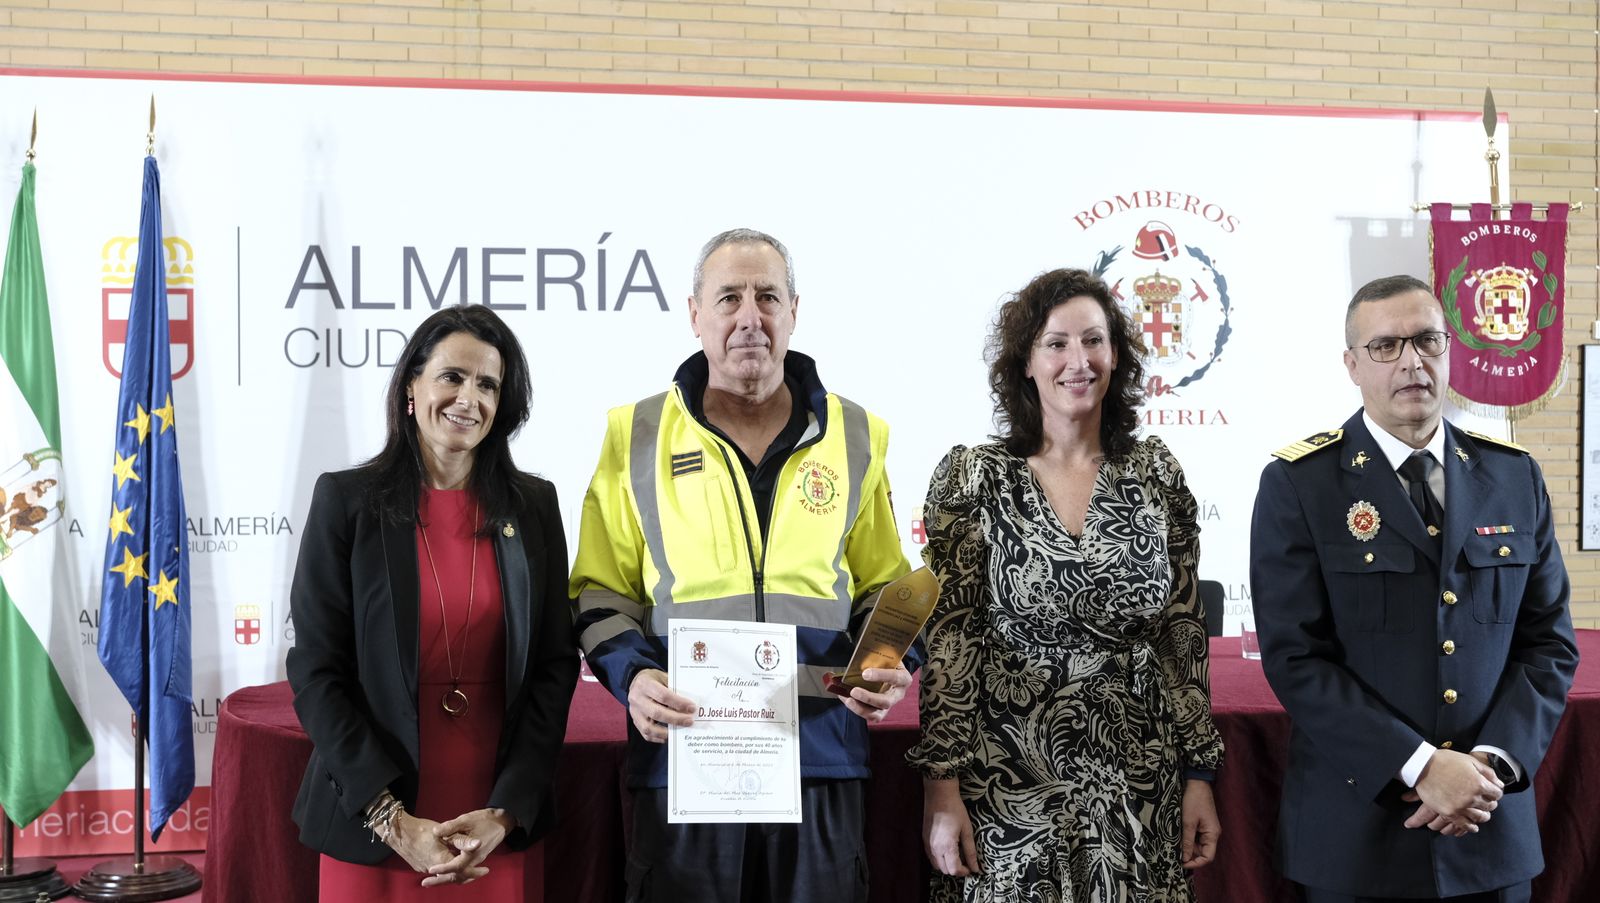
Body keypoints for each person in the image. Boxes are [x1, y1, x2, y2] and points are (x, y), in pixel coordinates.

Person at [570, 227, 918, 902]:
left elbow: (888, 586)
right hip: (685, 759)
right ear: (694, 313)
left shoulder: (854, 433)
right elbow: (597, 591)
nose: (749, 317)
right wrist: (634, 676)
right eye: (729, 297)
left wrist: (886, 656)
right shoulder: (634, 433)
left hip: (820, 752)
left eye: (767, 296)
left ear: (795, 311)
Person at [1249, 275, 1580, 902]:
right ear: (1351, 365)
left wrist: (1489, 768)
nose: (1411, 361)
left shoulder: (1513, 476)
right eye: (1384, 347)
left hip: (1490, 826)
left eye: (1427, 340)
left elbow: (1549, 644)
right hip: (1361, 837)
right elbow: (1296, 657)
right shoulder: (1301, 484)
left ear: (1449, 351)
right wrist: (1424, 766)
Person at [910, 267, 1225, 901]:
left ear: (1117, 354)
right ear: (1024, 362)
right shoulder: (975, 480)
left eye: (1093, 341)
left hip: (1140, 778)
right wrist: (941, 787)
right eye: (1055, 344)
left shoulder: (1156, 473)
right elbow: (951, 647)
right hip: (1006, 784)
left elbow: (1182, 636)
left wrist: (1200, 773)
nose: (1077, 361)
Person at [287, 305, 578, 899]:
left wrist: (506, 813)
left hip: (493, 824)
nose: (468, 398)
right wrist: (392, 821)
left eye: (488, 384)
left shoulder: (534, 506)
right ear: (411, 388)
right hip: (375, 815)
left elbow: (554, 666)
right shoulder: (346, 501)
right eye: (452, 376)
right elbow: (317, 672)